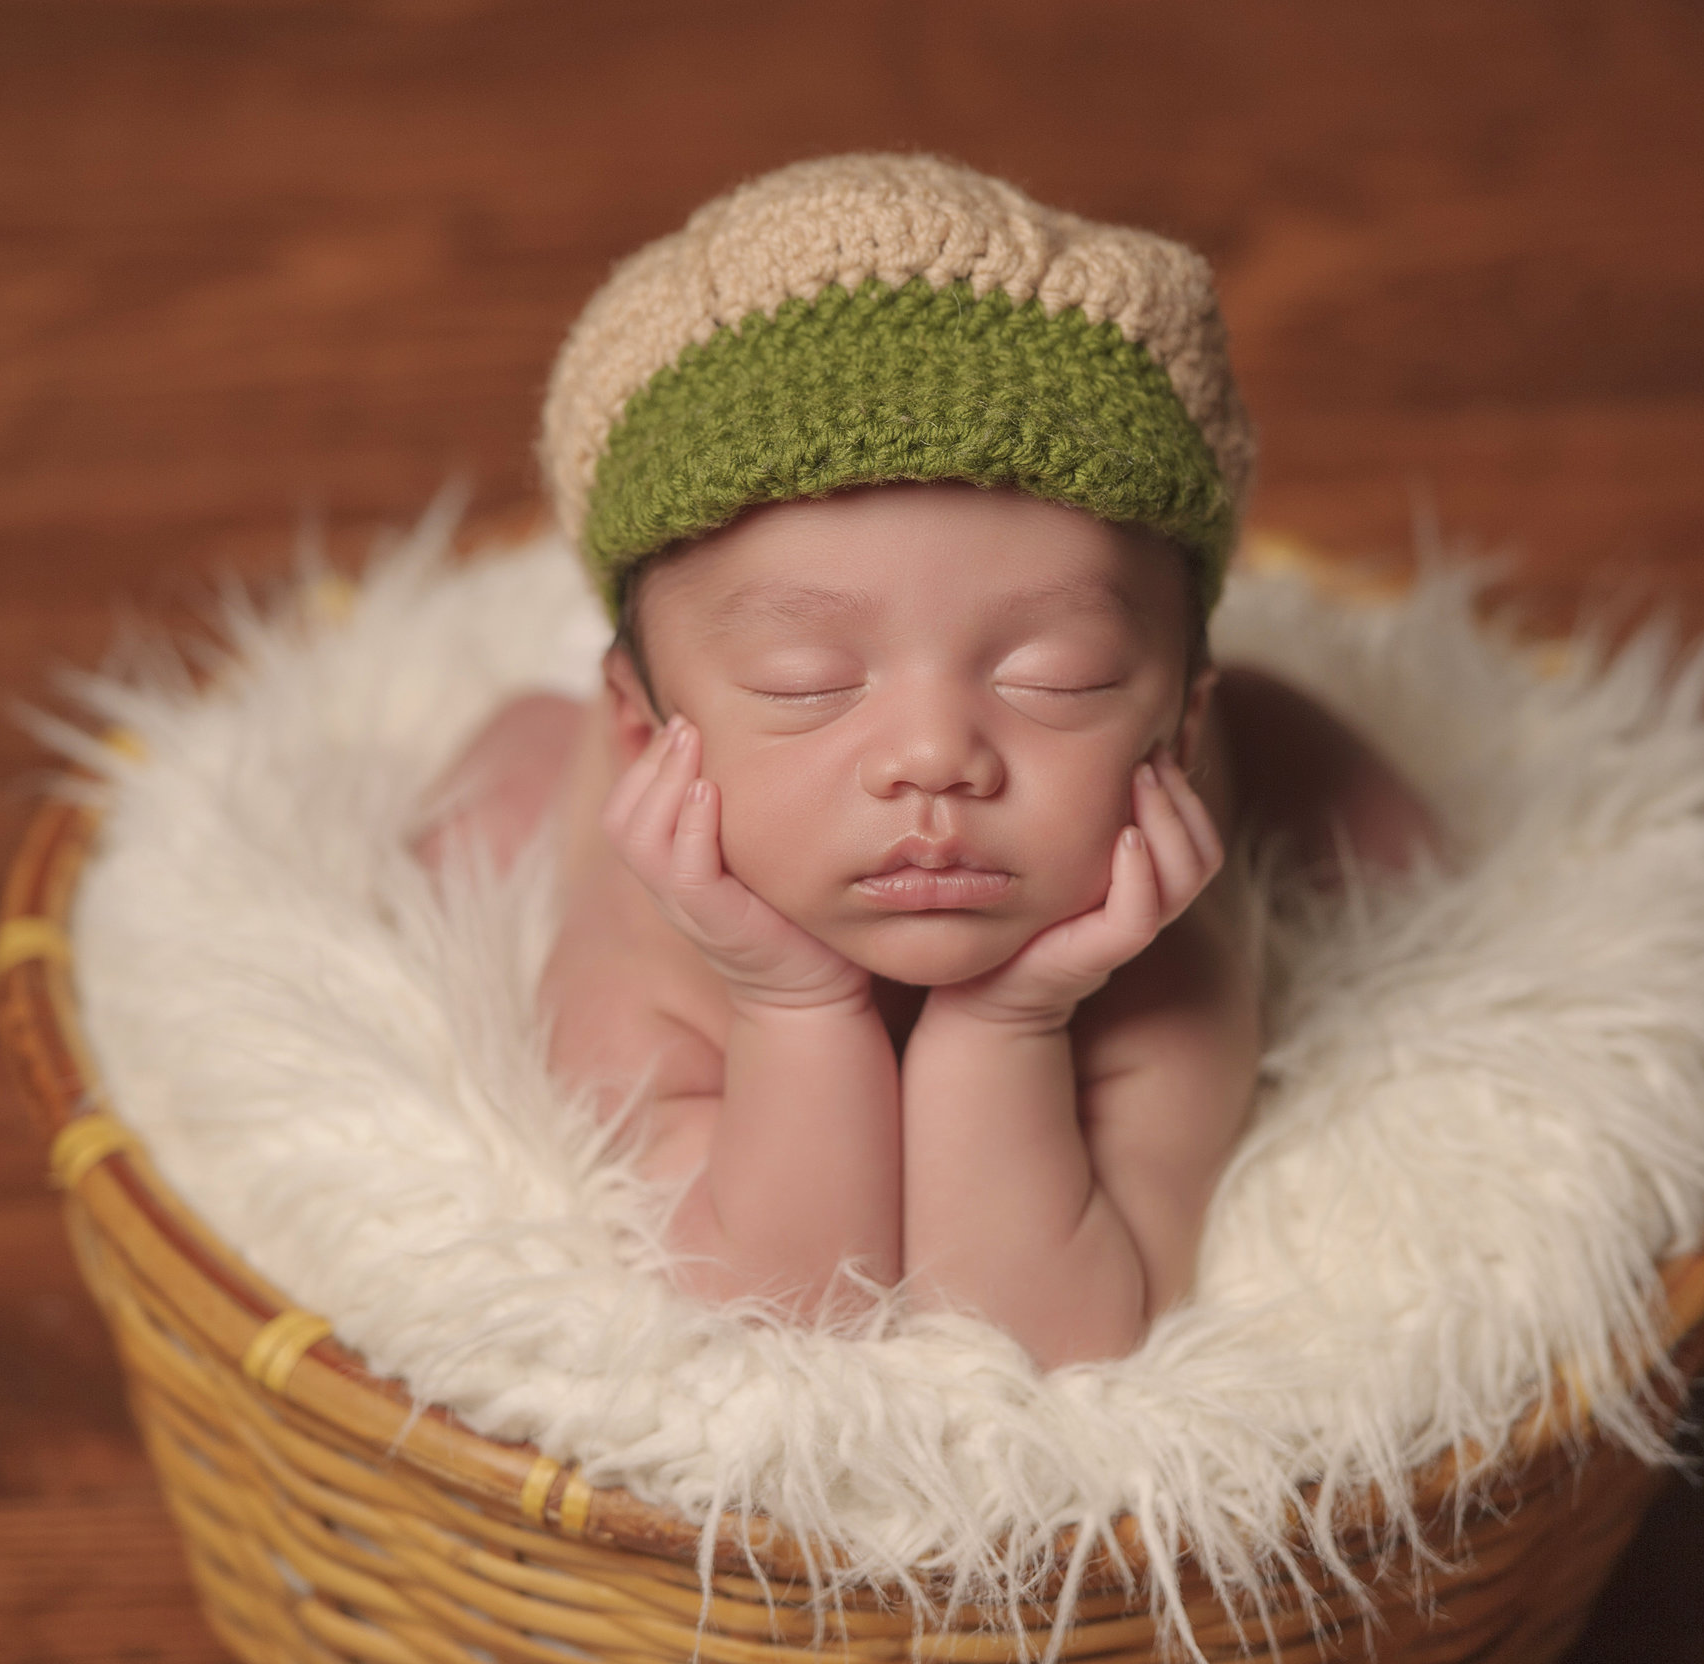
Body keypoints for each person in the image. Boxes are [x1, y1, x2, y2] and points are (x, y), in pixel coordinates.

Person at [416, 156, 1432, 1368]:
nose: (933, 756)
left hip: (1195, 780)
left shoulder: (1167, 974)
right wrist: (784, 999)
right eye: (806, 683)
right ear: (646, 727)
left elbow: (1043, 1339)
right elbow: (774, 1319)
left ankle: (1244, 724)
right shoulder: (638, 966)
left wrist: (1013, 1015)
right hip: (645, 855)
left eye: (1057, 678)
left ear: (1177, 722)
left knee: (1385, 847)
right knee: (477, 824)